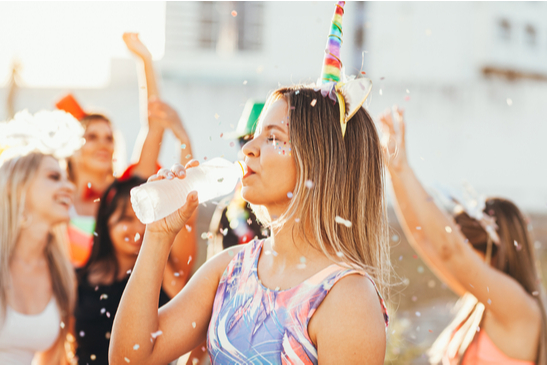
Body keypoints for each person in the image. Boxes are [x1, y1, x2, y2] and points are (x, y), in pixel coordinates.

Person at [378, 106, 547, 364]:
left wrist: (406, 169)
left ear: (492, 248)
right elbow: (423, 238)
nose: (462, 262)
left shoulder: (517, 306)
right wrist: (396, 171)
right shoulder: (483, 300)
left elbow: (451, 250)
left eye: (467, 249)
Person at [58, 33, 194, 268]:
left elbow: (154, 126)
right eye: (92, 137)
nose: (103, 144)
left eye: (109, 138)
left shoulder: (123, 194)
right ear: (72, 146)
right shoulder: (57, 197)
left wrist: (145, 60)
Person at [72, 176, 196, 365]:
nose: (139, 229)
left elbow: (185, 303)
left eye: (145, 219)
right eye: (127, 219)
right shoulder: (79, 280)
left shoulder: (162, 274)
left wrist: (158, 240)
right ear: (107, 221)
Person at [0, 152, 76, 365]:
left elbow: (52, 359)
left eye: (66, 178)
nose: (70, 187)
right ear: (17, 188)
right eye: (54, 177)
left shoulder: (62, 274)